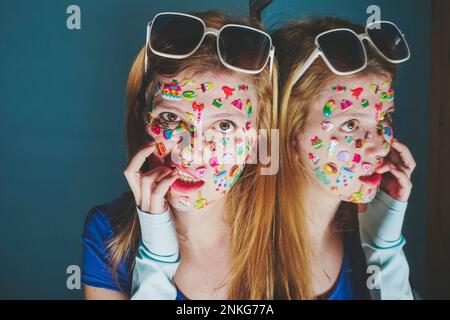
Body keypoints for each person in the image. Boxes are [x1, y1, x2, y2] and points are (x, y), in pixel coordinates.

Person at [81, 11, 278, 299]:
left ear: (258, 137)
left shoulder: (284, 231)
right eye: (171, 118)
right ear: (142, 119)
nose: (192, 151)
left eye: (224, 125)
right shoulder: (108, 234)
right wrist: (156, 254)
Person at [272, 17, 415, 299]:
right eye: (349, 125)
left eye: (384, 117)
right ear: (287, 131)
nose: (379, 147)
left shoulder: (365, 237)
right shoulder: (233, 252)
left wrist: (385, 249)